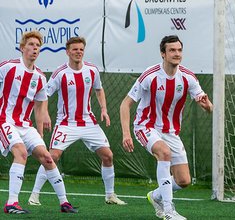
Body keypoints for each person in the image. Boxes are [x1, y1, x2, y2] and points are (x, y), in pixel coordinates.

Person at [120, 35, 213, 220]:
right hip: (145, 126)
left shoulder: (188, 77)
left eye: (179, 50)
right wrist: (126, 134)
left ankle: (155, 196)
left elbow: (208, 106)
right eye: (172, 50)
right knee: (164, 153)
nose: (176, 53)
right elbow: (125, 104)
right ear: (163, 54)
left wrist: (207, 106)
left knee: (184, 181)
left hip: (170, 131)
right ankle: (169, 211)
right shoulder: (150, 75)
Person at [28, 37, 126, 206]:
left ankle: (110, 195)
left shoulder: (92, 70)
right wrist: (44, 114)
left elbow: (99, 90)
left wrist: (104, 109)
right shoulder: (60, 73)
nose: (78, 52)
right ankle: (34, 195)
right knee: (51, 157)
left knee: (108, 156)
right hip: (66, 124)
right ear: (67, 52)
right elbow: (44, 95)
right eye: (74, 49)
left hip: (89, 123)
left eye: (81, 49)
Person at [0, 31, 77, 214]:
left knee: (47, 158)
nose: (35, 48)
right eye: (31, 45)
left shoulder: (40, 77)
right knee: (20, 153)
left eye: (37, 46)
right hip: (5, 120)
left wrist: (40, 132)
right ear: (22, 47)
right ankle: (11, 203)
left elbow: (40, 106)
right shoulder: (8, 67)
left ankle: (64, 203)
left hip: (26, 125)